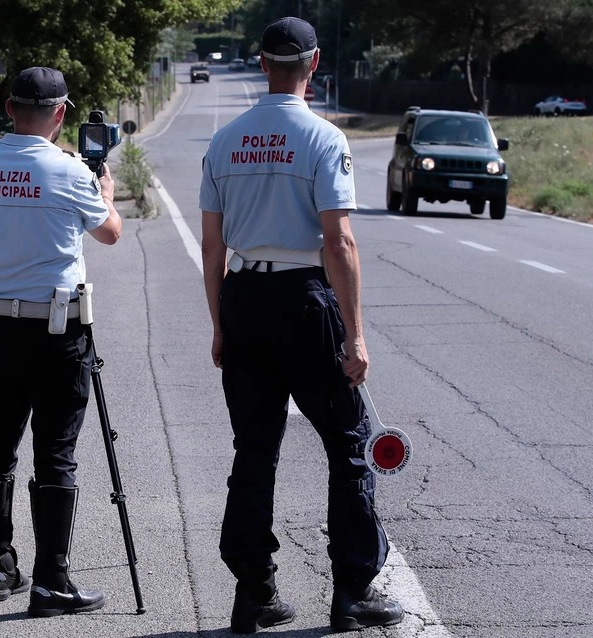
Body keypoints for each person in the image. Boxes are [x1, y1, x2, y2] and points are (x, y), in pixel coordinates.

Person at [199, 17, 404, 634]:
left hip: (243, 295)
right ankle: (351, 593)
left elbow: (212, 246)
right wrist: (356, 333)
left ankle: (253, 592)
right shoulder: (322, 138)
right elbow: (338, 241)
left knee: (254, 450)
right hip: (303, 298)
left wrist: (219, 323)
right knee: (349, 444)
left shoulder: (225, 140)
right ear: (313, 66)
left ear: (262, 64)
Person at [0, 66, 122, 617]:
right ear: (62, 114)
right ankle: (52, 579)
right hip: (57, 328)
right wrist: (106, 192)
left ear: (8, 108)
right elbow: (110, 232)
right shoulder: (71, 170)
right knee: (55, 454)